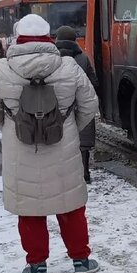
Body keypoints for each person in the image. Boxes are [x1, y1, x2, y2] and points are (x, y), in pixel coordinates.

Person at [0, 14, 100, 273]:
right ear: (49, 38)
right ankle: (81, 260)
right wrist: (70, 127)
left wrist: (9, 127)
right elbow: (90, 103)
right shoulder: (69, 67)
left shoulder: (2, 70)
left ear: (18, 38)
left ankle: (37, 266)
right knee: (70, 206)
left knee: (29, 210)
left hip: (20, 150)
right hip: (63, 148)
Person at [55, 25, 97, 183]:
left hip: (58, 106)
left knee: (60, 139)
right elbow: (94, 82)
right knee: (83, 141)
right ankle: (84, 172)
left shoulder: (51, 58)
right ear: (74, 39)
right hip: (80, 105)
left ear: (57, 39)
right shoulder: (83, 58)